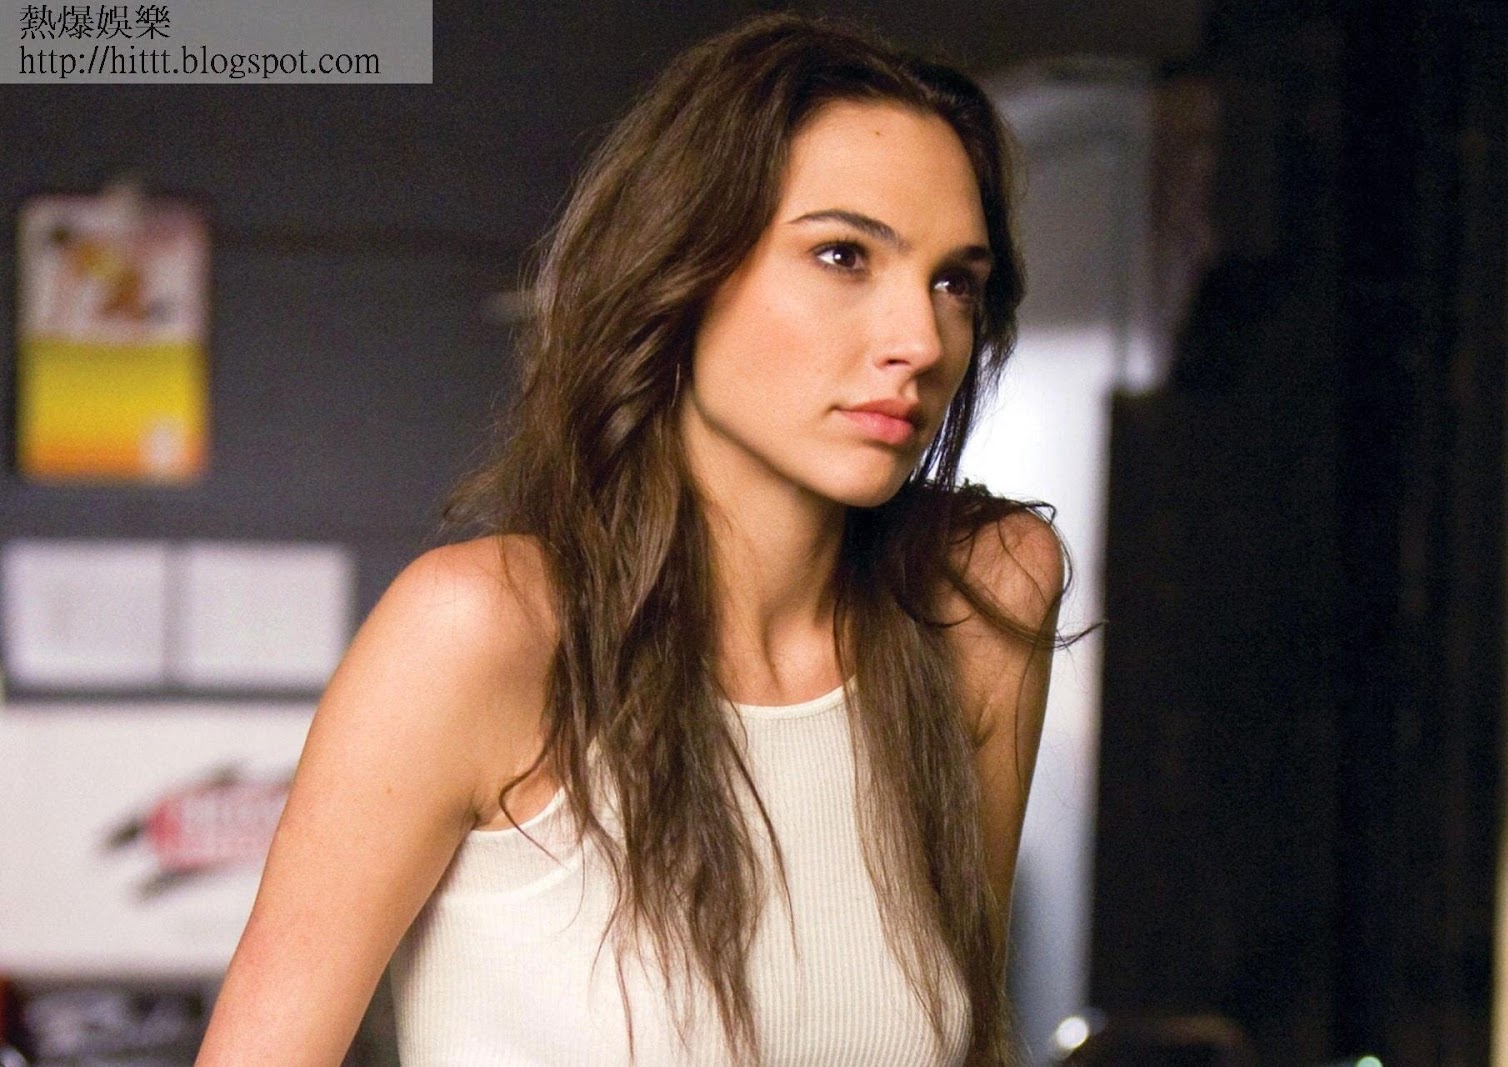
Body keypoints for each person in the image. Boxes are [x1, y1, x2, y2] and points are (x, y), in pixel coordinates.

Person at [196, 13, 1066, 1067]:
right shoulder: (487, 632)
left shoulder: (978, 600)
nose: (918, 340)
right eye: (842, 255)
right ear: (683, 269)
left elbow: (971, 1039)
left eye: (953, 280)